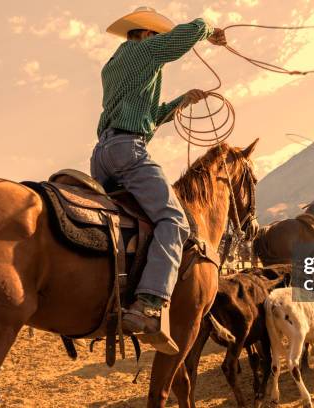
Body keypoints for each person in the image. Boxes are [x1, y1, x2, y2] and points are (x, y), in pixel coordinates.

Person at [90, 7, 227, 355]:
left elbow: (147, 115)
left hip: (103, 153)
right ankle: (149, 303)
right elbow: (188, 33)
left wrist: (182, 101)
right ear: (149, 34)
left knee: (122, 222)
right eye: (158, 36)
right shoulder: (147, 51)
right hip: (127, 150)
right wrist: (209, 29)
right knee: (174, 220)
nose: (161, 42)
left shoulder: (115, 65)